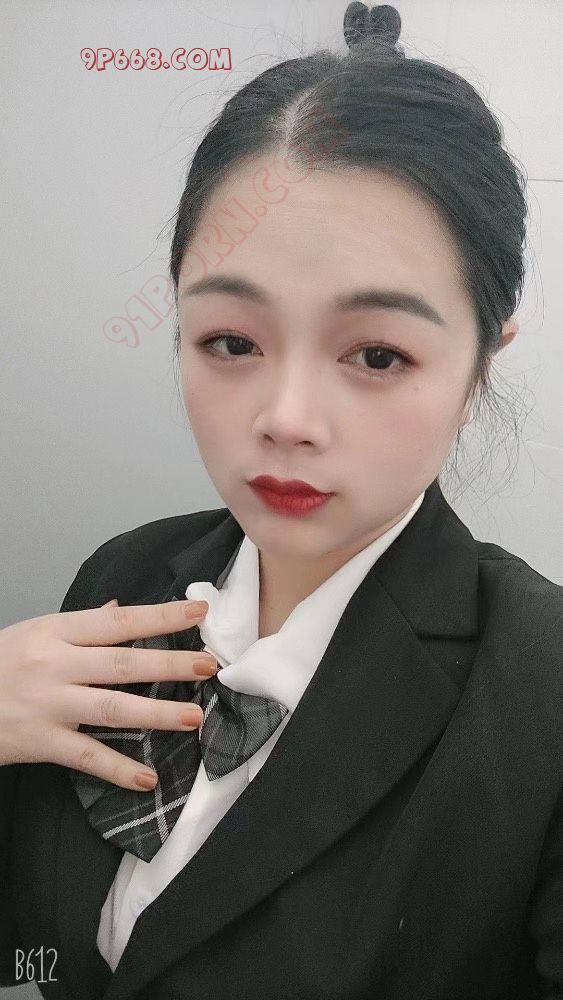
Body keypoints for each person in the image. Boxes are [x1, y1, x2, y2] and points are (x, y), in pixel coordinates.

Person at [1, 3, 561, 998]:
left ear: (482, 361)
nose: (285, 418)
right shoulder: (126, 574)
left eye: (376, 354)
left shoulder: (541, 698)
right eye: (230, 341)